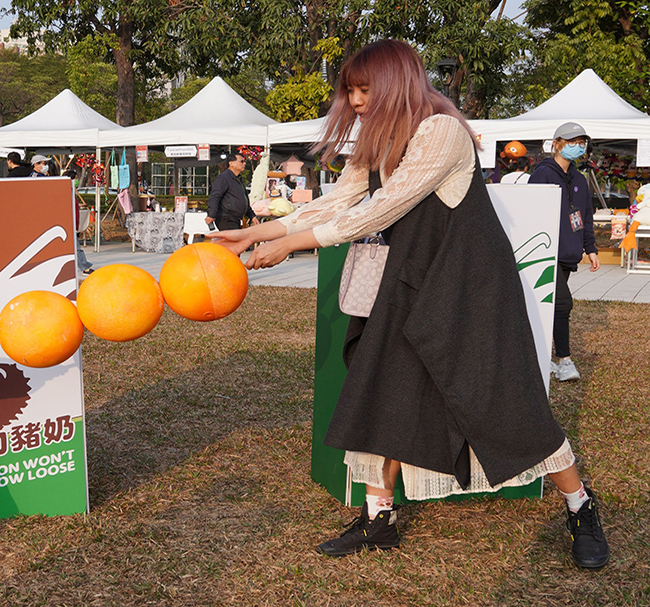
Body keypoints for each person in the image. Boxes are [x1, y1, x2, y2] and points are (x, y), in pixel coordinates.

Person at [209, 39, 609, 570]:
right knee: (382, 392)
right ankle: (379, 518)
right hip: (407, 285)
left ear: (398, 84)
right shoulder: (378, 140)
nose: (353, 101)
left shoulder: (441, 133)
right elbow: (339, 199)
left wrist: (292, 244)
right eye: (349, 90)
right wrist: (255, 232)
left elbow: (383, 208)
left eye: (364, 89)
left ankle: (580, 506)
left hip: (468, 289)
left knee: (503, 401)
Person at [528, 122, 600, 382]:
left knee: (549, 309)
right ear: (557, 143)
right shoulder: (542, 174)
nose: (577, 147)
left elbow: (586, 217)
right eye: (572, 141)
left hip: (569, 254)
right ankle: (565, 360)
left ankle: (541, 355)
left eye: (581, 142)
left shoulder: (580, 179)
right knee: (562, 303)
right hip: (546, 252)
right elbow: (530, 212)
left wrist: (590, 248)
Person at [205, 153, 259, 231]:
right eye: (241, 161)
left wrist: (252, 216)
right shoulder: (223, 178)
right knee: (234, 241)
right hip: (226, 218)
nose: (244, 163)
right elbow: (215, 196)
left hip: (235, 219)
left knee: (235, 241)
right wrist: (211, 215)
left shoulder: (238, 179)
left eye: (244, 161)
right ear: (231, 163)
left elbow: (243, 200)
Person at [63, 169, 95, 275]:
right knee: (77, 248)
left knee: (74, 248)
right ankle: (84, 267)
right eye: (75, 178)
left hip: (72, 223)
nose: (76, 181)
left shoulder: (71, 191)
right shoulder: (66, 191)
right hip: (68, 223)